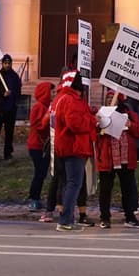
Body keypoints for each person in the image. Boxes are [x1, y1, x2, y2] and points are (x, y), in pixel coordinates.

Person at [53, 71, 96, 232]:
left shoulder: (61, 98)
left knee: (67, 183)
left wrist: (88, 114)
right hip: (74, 147)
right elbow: (75, 124)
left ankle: (68, 218)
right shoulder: (72, 100)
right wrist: (92, 120)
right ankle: (65, 220)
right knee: (74, 184)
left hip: (64, 147)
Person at [96, 93, 139, 229]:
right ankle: (105, 218)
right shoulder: (100, 114)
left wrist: (130, 124)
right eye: (107, 98)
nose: (109, 101)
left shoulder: (129, 114)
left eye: (112, 98)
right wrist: (99, 126)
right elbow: (94, 133)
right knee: (105, 189)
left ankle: (130, 216)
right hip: (108, 157)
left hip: (125, 158)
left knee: (127, 188)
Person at [27, 81, 55, 212]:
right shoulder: (38, 107)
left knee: (42, 172)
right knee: (39, 172)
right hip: (37, 145)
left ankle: (36, 197)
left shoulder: (49, 106)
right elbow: (37, 126)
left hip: (45, 144)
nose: (54, 94)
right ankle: (33, 198)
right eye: (52, 92)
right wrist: (47, 119)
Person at [0, 54, 22, 162]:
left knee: (9, 133)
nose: (7, 65)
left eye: (9, 63)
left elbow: (18, 91)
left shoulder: (15, 76)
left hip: (10, 109)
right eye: (5, 63)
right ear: (2, 63)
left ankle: (7, 153)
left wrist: (14, 97)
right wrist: (2, 94)